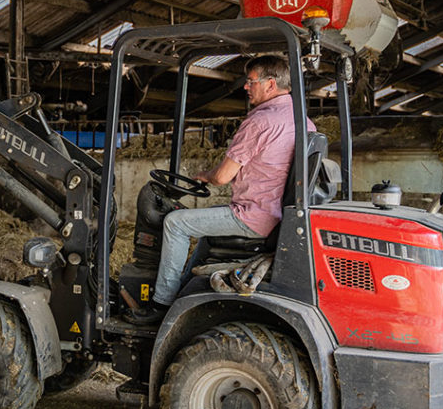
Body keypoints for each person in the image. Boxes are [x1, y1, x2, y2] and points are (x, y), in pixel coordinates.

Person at [127, 54, 314, 325]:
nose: (246, 87)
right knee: (204, 234)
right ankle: (184, 289)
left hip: (254, 216)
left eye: (251, 82)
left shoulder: (261, 121)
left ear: (270, 84)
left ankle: (161, 304)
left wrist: (207, 176)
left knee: (175, 223)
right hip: (276, 214)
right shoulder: (301, 119)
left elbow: (224, 176)